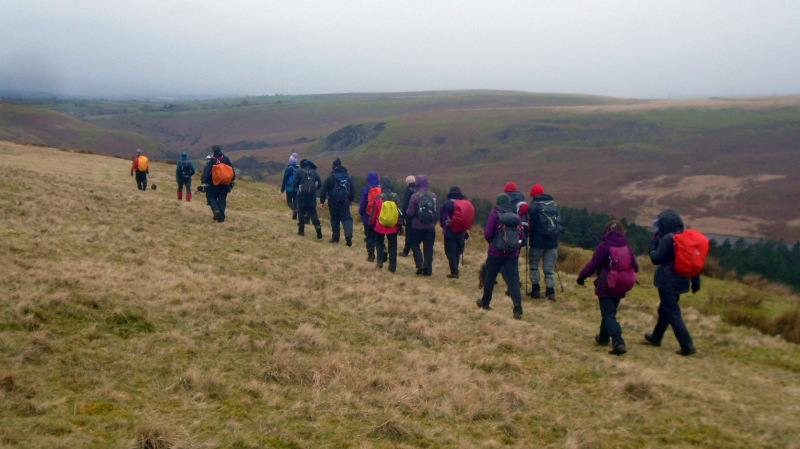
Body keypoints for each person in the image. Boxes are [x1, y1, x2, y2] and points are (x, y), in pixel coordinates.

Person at [577, 220, 639, 355]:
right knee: (610, 312)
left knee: (608, 315)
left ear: (606, 231)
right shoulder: (627, 247)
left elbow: (593, 264)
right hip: (622, 284)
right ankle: (604, 338)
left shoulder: (604, 246)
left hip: (606, 283)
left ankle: (618, 342)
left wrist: (582, 277)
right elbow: (636, 266)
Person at [644, 209, 700, 356]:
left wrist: (653, 243)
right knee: (665, 309)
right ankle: (656, 337)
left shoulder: (669, 239)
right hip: (682, 281)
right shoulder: (686, 238)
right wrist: (695, 282)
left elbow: (656, 259)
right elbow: (693, 262)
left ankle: (687, 344)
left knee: (672, 312)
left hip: (667, 281)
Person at [476, 194, 524, 319]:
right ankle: (518, 309)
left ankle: (485, 303)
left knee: (490, 278)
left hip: (495, 252)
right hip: (512, 254)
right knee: (513, 281)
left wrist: (493, 243)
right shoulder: (515, 215)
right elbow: (522, 236)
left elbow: (488, 233)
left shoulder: (495, 213)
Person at [527, 184, 561, 300]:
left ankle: (535, 290)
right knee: (549, 268)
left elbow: (531, 225)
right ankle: (550, 292)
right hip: (552, 241)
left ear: (533, 194)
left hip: (537, 241)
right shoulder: (554, 205)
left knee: (534, 265)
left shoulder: (533, 206)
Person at [406, 174, 438, 276]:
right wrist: (433, 223)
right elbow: (437, 212)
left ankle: (420, 264)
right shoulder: (434, 196)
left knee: (414, 244)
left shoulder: (415, 196)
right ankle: (428, 270)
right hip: (430, 227)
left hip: (417, 227)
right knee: (428, 248)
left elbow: (410, 213)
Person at [318, 158, 355, 246]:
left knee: (335, 220)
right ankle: (348, 235)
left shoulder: (331, 177)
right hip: (345, 201)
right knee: (346, 219)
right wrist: (350, 200)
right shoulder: (347, 176)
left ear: (333, 166)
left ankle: (335, 238)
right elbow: (352, 189)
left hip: (333, 201)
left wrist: (322, 201)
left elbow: (324, 189)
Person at [369, 177, 402, 272]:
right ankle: (392, 267)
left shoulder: (379, 197)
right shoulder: (396, 197)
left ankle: (379, 262)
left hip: (380, 225)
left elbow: (374, 212)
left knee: (379, 243)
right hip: (393, 226)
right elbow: (399, 212)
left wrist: (371, 223)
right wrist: (400, 225)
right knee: (392, 246)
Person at [201, 145, 235, 222]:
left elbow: (208, 172)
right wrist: (232, 181)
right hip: (225, 184)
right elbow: (232, 170)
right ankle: (221, 218)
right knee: (222, 200)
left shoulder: (212, 160)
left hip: (213, 184)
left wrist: (205, 183)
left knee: (210, 197)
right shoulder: (226, 159)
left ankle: (215, 209)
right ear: (220, 150)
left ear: (213, 151)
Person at [439, 186, 467, 279]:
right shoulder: (463, 204)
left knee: (449, 252)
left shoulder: (447, 204)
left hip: (449, 231)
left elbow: (442, 217)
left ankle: (454, 272)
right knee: (457, 252)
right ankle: (455, 270)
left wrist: (443, 225)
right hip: (461, 232)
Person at [292, 158, 323, 239]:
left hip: (302, 195)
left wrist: (295, 189)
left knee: (301, 213)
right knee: (313, 213)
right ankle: (317, 226)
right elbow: (320, 184)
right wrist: (314, 189)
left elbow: (295, 184)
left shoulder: (299, 172)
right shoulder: (314, 173)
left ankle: (301, 230)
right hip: (312, 196)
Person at [358, 172, 381, 261]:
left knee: (369, 237)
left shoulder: (365, 190)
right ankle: (382, 253)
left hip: (367, 217)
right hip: (378, 218)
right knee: (378, 237)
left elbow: (363, 204)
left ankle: (371, 255)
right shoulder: (381, 190)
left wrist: (361, 212)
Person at [400, 175, 416, 257]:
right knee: (415, 234)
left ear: (408, 183)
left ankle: (406, 251)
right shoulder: (417, 190)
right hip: (417, 216)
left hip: (409, 215)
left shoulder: (408, 191)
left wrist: (403, 216)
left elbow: (405, 204)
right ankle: (415, 250)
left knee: (408, 234)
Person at [280, 152, 299, 219]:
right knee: (296, 201)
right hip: (296, 189)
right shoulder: (298, 169)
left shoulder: (288, 169)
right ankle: (295, 217)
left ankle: (294, 210)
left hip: (289, 188)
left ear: (290, 161)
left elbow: (285, 179)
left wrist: (282, 189)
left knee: (289, 202)